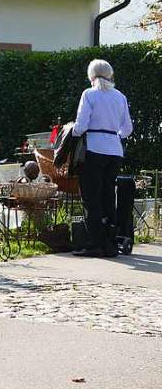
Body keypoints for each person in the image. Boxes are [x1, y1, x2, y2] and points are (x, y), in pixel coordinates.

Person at [72, 58, 133, 258]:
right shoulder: (120, 96)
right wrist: (113, 135)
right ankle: (109, 242)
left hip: (95, 148)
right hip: (115, 150)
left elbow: (80, 125)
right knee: (108, 195)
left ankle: (94, 243)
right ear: (110, 75)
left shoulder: (89, 94)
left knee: (91, 197)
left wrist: (73, 133)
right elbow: (127, 129)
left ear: (91, 75)